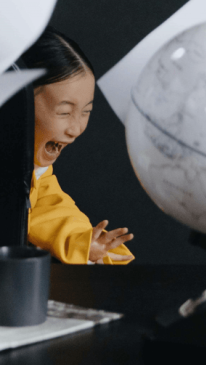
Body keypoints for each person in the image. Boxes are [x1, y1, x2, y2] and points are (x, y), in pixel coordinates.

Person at [18, 27, 134, 265]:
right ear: (18, 103)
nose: (76, 128)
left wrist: (84, 242)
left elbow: (52, 209)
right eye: (64, 112)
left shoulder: (37, 172)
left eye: (86, 112)